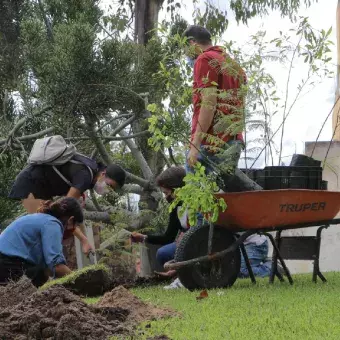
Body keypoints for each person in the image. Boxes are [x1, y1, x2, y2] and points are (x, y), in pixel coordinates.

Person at [8, 157, 126, 254]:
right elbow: (63, 212)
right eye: (110, 186)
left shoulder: (88, 172)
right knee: (43, 227)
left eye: (112, 189)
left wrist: (84, 241)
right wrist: (84, 240)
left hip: (40, 188)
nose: (108, 190)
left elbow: (68, 215)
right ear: (103, 173)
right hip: (30, 185)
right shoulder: (85, 176)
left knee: (48, 225)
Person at [0, 197, 83, 287]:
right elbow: (57, 266)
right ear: (71, 220)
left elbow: (49, 268)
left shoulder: (42, 218)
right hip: (7, 265)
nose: (74, 230)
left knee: (42, 273)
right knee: (40, 274)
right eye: (76, 225)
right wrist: (79, 282)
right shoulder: (52, 224)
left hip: (6, 262)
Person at [130, 167, 188, 282]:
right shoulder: (175, 207)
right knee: (163, 253)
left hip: (196, 241)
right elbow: (169, 237)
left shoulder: (195, 202)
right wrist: (144, 238)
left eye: (166, 193)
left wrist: (185, 237)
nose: (166, 197)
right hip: (185, 242)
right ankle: (180, 275)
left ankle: (182, 276)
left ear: (176, 189)